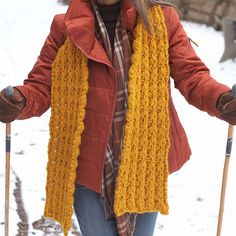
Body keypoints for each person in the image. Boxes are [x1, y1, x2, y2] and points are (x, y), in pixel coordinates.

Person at [1, 0, 236, 235]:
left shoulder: (161, 21)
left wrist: (220, 99)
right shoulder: (66, 27)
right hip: (88, 165)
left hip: (145, 163)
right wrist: (19, 101)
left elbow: (192, 75)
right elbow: (42, 86)